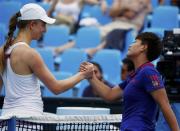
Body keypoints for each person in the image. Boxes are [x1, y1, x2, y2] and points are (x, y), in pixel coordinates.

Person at [0, 3, 94, 116]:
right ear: (32, 24)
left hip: (6, 120)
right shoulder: (30, 54)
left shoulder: (2, 50)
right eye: (43, 25)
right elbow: (56, 88)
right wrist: (83, 75)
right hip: (28, 121)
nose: (45, 30)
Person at [80, 32, 180, 130]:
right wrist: (91, 76)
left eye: (134, 42)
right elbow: (109, 95)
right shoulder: (134, 76)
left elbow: (165, 105)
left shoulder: (148, 71)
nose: (130, 45)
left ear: (143, 47)